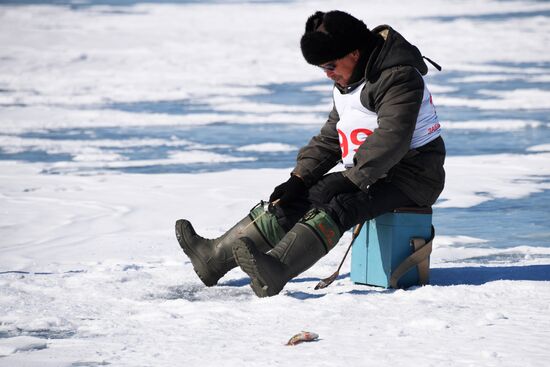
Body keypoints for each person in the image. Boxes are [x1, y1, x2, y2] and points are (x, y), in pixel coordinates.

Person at [175, 10, 445, 297]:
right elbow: (332, 137)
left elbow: (395, 136)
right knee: (297, 198)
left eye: (330, 65)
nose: (328, 74)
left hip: (413, 176)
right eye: (322, 68)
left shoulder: (399, 77)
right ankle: (213, 258)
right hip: (373, 172)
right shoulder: (349, 81)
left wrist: (352, 179)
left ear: (354, 52)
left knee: (340, 204)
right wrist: (300, 178)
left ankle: (277, 269)